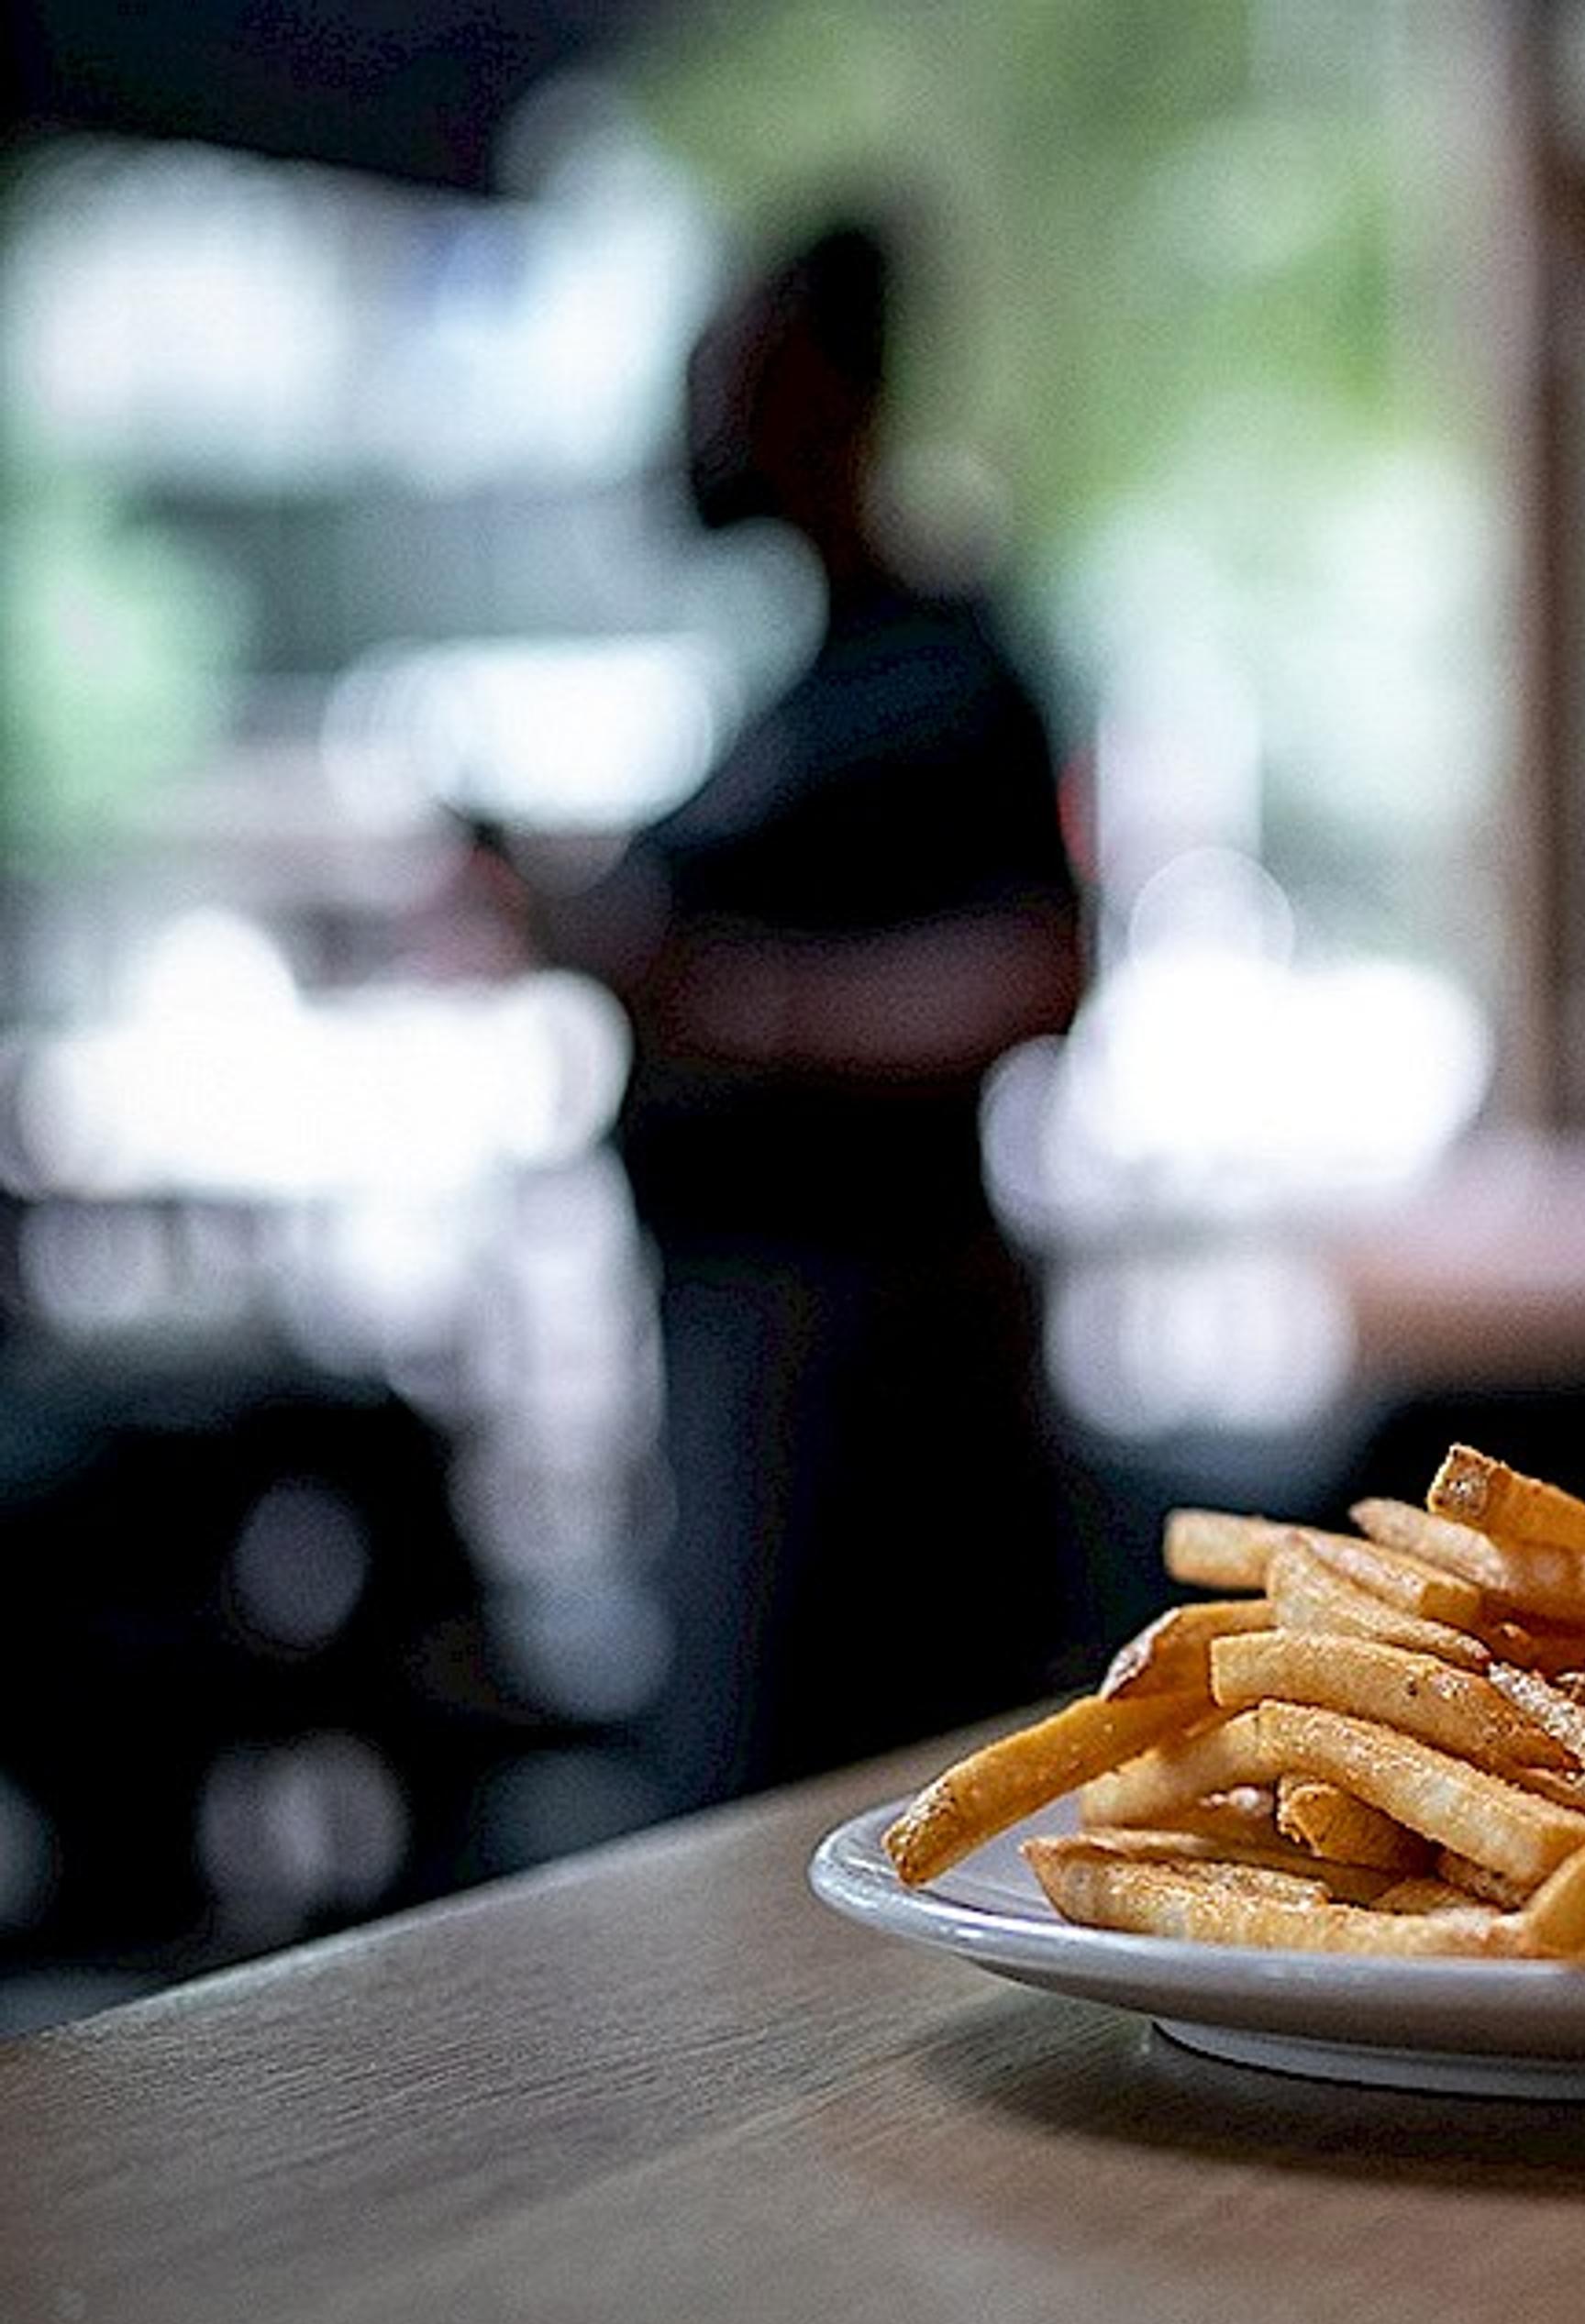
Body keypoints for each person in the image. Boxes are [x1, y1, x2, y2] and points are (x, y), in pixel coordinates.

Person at [529, 220, 1087, 1805]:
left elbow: (1034, 976)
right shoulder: (798, 684)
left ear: (827, 394)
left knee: (818, 1783)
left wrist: (721, 1000)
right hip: (750, 1335)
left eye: (739, 370)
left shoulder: (947, 669)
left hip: (858, 1349)